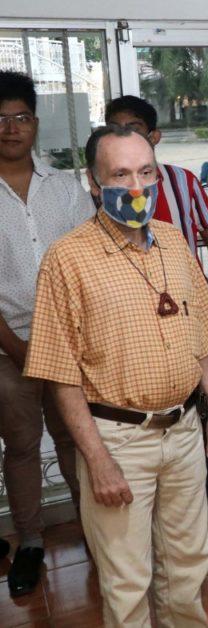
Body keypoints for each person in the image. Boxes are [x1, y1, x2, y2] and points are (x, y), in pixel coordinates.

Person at [23, 126, 208, 625]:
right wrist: (97, 459)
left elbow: (201, 332)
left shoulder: (175, 243)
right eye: (120, 175)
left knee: (188, 566)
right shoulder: (67, 259)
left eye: (145, 172)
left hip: (184, 431)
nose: (136, 187)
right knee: (126, 580)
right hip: (117, 441)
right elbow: (61, 374)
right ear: (94, 183)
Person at [105, 95, 208, 533]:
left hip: (195, 318)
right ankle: (159, 509)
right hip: (134, 326)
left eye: (134, 128)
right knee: (150, 415)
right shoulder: (104, 192)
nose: (124, 137)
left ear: (154, 137)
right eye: (114, 129)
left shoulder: (182, 182)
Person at [0, 70, 94, 596]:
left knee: (77, 440)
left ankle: (98, 533)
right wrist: (15, 347)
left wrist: (71, 340)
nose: (11, 128)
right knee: (20, 447)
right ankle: (31, 543)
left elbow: (89, 264)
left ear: (35, 123)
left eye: (20, 117)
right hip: (6, 347)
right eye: (0, 119)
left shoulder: (65, 187)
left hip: (69, 345)